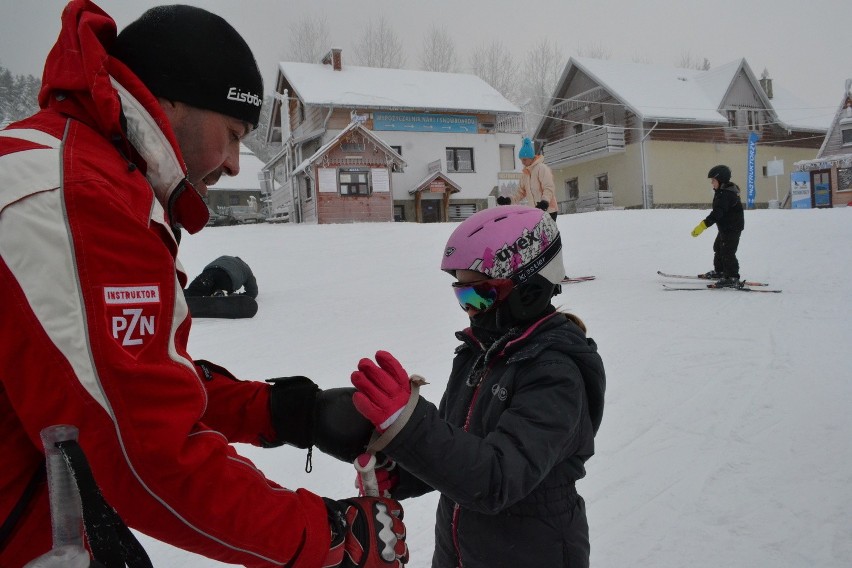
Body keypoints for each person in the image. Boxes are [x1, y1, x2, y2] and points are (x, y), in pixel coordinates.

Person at [0, 2, 408, 567]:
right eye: (233, 133)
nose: (237, 164)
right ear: (169, 102)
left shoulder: (85, 174)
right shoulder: (71, 201)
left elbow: (130, 383)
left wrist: (286, 411)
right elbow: (148, 454)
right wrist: (329, 538)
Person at [349, 205, 606, 567]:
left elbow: (496, 479)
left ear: (529, 290)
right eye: (462, 296)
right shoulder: (478, 353)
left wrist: (410, 427)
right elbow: (460, 447)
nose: (470, 310)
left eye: (479, 295)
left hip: (532, 552)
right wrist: (402, 471)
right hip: (459, 549)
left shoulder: (555, 375)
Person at [691, 164, 745, 288]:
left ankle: (732, 277)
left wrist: (703, 225)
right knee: (718, 248)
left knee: (728, 252)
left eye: (713, 180)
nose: (712, 183)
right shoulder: (722, 192)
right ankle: (720, 272)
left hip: (732, 228)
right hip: (725, 227)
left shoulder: (726, 194)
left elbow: (717, 213)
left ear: (720, 180)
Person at [497, 137, 558, 220]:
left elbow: (549, 187)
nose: (522, 162)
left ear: (531, 158)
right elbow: (520, 193)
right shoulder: (525, 174)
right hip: (536, 212)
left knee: (547, 233)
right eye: (521, 160)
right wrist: (508, 200)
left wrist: (545, 201)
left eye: (524, 160)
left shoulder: (541, 168)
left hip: (549, 210)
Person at [185, 255, 259, 298]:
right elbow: (253, 291)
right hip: (227, 278)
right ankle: (220, 294)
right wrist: (240, 297)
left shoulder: (224, 257)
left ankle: (183, 294)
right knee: (219, 292)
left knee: (195, 290)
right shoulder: (246, 269)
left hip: (209, 272)